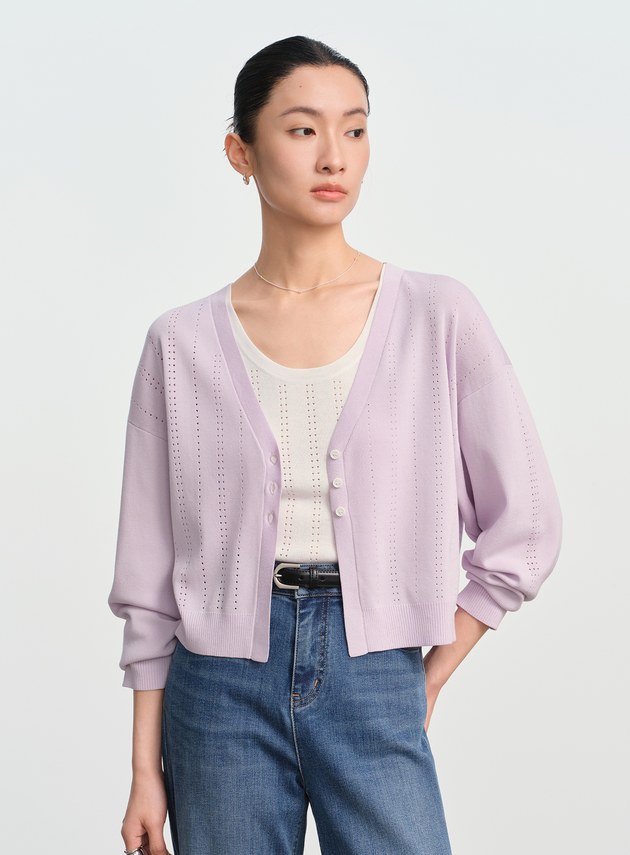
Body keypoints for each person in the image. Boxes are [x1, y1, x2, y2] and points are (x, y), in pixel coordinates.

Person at [108, 35, 563, 855]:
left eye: (354, 128)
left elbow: (526, 522)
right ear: (240, 152)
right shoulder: (179, 343)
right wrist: (145, 767)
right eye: (302, 129)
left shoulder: (437, 315)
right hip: (217, 686)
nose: (334, 156)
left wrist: (425, 672)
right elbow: (149, 576)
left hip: (374, 665)